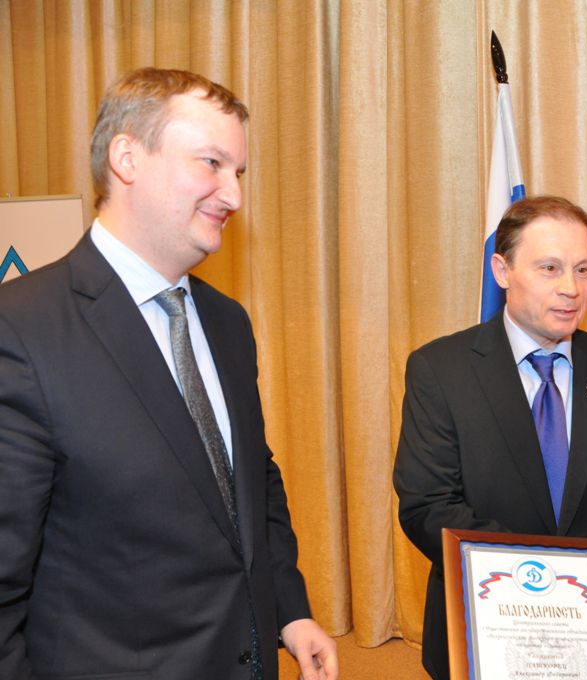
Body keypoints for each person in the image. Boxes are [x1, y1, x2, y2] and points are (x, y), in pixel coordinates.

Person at [0, 68, 337, 680]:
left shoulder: (227, 321)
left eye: (238, 172)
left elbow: (250, 480)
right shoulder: (21, 329)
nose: (233, 196)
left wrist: (289, 610)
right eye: (211, 163)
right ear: (127, 157)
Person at [393, 195, 587, 679]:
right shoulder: (440, 370)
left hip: (586, 632)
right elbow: (428, 506)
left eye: (583, 270)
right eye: (550, 268)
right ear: (502, 271)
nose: (571, 288)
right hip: (481, 623)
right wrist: (542, 582)